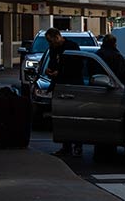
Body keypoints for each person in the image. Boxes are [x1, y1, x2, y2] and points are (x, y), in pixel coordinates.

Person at [45, 28, 83, 157]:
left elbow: (77, 66)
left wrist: (60, 72)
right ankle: (66, 146)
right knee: (62, 117)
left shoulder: (72, 46)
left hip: (73, 84)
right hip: (60, 85)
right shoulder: (53, 49)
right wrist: (50, 70)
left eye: (51, 41)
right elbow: (52, 62)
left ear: (57, 37)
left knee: (76, 118)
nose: (51, 44)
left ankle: (78, 146)